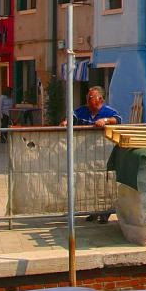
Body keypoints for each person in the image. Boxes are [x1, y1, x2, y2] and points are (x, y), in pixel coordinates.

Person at [61, 87, 120, 222]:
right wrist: (66, 122)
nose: (88, 100)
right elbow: (72, 117)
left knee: (104, 184)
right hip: (85, 157)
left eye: (91, 97)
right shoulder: (82, 110)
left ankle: (106, 212)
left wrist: (105, 121)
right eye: (87, 97)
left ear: (100, 99)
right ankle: (93, 210)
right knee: (87, 183)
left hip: (103, 156)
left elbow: (117, 119)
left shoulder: (109, 111)